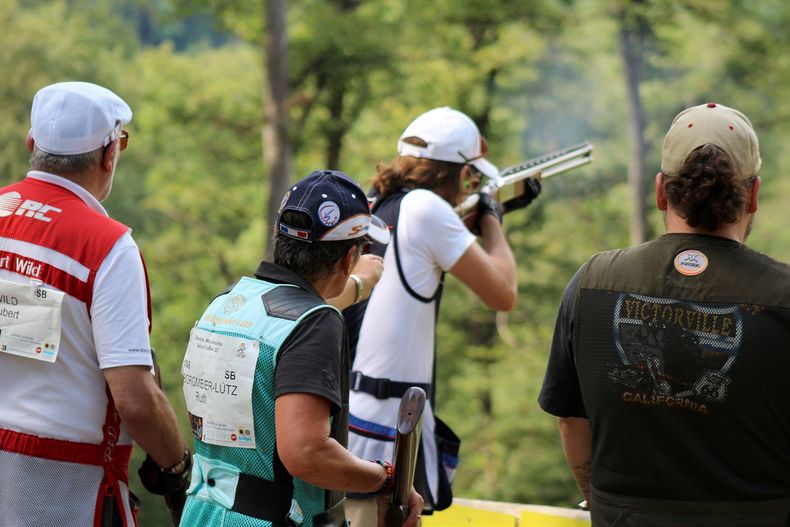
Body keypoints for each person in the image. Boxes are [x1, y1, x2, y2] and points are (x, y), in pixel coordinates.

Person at [539, 102, 790, 526]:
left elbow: (570, 420)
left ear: (660, 191)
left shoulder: (592, 281)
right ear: (753, 195)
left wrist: (601, 503)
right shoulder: (783, 296)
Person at [179, 169, 423, 527]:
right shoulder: (316, 323)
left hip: (204, 512)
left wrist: (356, 285)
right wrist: (383, 478)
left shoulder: (229, 302)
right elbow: (306, 452)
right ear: (347, 258)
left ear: (280, 237)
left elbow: (287, 318)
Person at [0, 81, 191, 526]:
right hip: (66, 485)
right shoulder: (108, 246)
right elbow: (135, 399)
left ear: (32, 144)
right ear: (109, 156)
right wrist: (176, 465)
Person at [344, 106, 542, 525]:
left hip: (356, 418)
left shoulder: (380, 203)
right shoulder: (426, 210)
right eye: (469, 175)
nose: (470, 185)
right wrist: (492, 220)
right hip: (384, 428)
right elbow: (504, 295)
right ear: (455, 172)